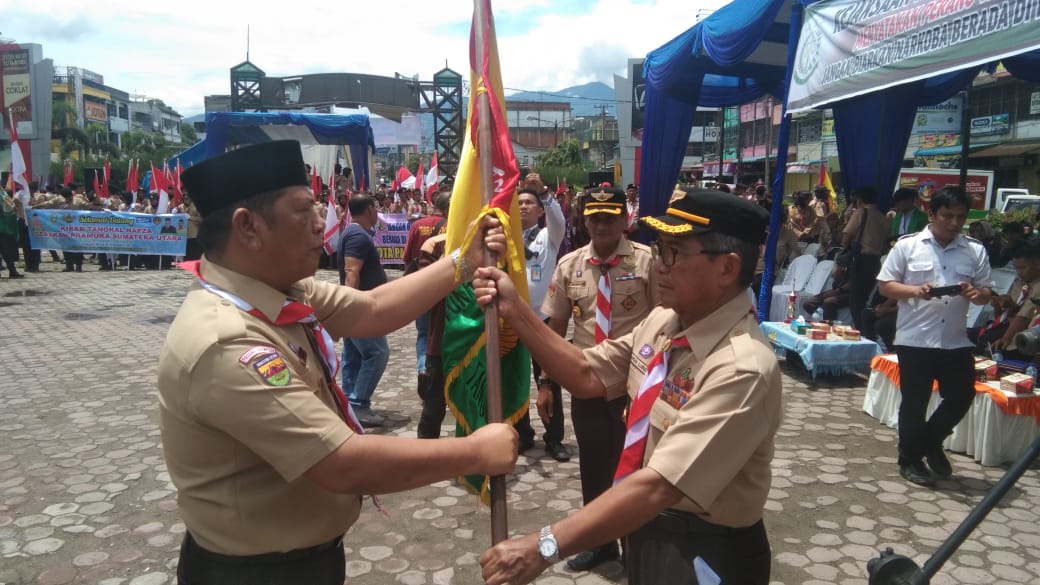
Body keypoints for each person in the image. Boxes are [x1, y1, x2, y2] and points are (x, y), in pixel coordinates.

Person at [161, 140, 517, 584]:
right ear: (248, 227)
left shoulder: (281, 292)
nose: (321, 225)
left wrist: (464, 262)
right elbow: (343, 463)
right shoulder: (227, 341)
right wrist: (474, 451)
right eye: (305, 211)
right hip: (256, 573)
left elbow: (372, 309)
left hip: (301, 560)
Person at [476, 189, 782, 585]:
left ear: (726, 269)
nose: (659, 267)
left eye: (674, 253)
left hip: (706, 551)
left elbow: (659, 486)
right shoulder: (664, 323)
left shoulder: (742, 368)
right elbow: (586, 372)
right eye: (659, 251)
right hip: (645, 529)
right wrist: (515, 309)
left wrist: (543, 546)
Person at [541, 185, 659, 571]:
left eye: (611, 217)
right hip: (587, 382)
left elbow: (666, 321)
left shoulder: (647, 263)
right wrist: (546, 382)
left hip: (638, 384)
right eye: (595, 217)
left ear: (625, 220)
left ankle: (639, 543)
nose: (603, 224)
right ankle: (601, 542)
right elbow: (555, 329)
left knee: (639, 466)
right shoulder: (570, 265)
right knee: (594, 465)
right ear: (585, 221)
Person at [877, 185, 994, 487]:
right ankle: (910, 460)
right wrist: (915, 291)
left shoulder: (974, 250)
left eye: (960, 217)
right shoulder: (908, 246)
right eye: (947, 216)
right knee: (914, 402)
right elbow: (886, 286)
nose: (954, 223)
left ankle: (930, 442)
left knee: (961, 395)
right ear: (931, 214)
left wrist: (975, 293)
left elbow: (985, 294)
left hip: (955, 339)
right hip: (916, 338)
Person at [515, 174, 567, 457]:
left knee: (549, 380)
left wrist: (544, 192)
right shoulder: (506, 236)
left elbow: (558, 219)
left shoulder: (549, 236)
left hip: (542, 318)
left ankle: (554, 437)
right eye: (519, 202)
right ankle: (523, 432)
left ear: (539, 210)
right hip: (512, 319)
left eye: (529, 202)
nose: (523, 206)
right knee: (517, 379)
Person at [338, 193, 390, 427]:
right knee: (377, 353)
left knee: (353, 355)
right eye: (376, 206)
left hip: (356, 307)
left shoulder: (355, 232)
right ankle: (359, 405)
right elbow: (351, 271)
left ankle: (348, 405)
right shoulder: (357, 235)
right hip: (362, 308)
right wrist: (353, 307)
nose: (377, 210)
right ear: (369, 209)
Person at [402, 191, 451, 397]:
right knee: (444, 334)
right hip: (447, 289)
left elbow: (406, 258)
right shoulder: (455, 226)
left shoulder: (417, 225)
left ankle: (424, 369)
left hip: (420, 287)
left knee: (424, 333)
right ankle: (445, 378)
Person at [972, 243, 1040, 361]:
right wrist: (1000, 304)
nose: (1019, 272)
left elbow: (1024, 316)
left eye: (1023, 267)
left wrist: (1007, 337)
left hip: (1023, 334)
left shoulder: (1038, 286)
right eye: (1016, 268)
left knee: (989, 345)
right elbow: (1003, 316)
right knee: (969, 336)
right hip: (1005, 326)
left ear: (1037, 264)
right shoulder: (1019, 283)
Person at [841, 186, 889, 331]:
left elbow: (846, 237)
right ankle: (866, 332)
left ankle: (862, 333)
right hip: (876, 261)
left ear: (859, 200)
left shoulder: (860, 213)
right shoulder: (883, 217)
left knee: (856, 301)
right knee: (867, 299)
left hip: (861, 260)